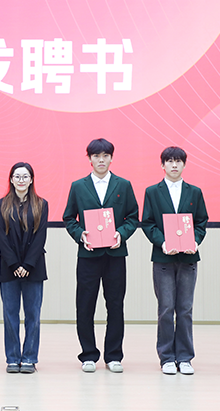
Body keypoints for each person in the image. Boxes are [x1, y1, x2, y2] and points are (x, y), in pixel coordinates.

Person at [62, 138, 139, 373]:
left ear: (112, 158)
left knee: (115, 305)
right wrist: (80, 235)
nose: (101, 160)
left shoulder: (123, 185)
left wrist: (121, 234)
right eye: (96, 156)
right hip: (88, 255)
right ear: (89, 159)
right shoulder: (78, 186)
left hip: (115, 255)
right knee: (85, 305)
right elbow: (69, 218)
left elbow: (133, 217)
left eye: (105, 155)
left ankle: (113, 356)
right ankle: (88, 355)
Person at [140, 146, 208, 375]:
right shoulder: (152, 191)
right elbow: (147, 223)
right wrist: (162, 242)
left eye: (179, 161)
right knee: (166, 308)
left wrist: (195, 240)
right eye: (170, 161)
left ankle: (185, 357)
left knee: (185, 309)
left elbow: (201, 222)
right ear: (162, 165)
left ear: (184, 164)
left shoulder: (195, 192)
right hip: (163, 258)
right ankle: (167, 357)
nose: (174, 165)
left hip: (188, 257)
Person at [0, 162, 48, 374]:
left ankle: (29, 358)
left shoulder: (41, 204)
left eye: (25, 176)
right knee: (10, 315)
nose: (21, 180)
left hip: (34, 268)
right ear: (11, 179)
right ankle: (13, 358)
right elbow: (1, 237)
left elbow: (40, 237)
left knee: (33, 315)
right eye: (17, 176)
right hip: (9, 268)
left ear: (31, 179)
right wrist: (14, 264)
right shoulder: (1, 204)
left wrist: (27, 264)